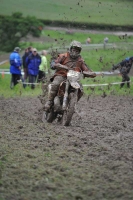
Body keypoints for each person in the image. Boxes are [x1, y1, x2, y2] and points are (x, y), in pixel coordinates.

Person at [44, 40, 96, 111]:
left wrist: (90, 73)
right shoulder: (63, 56)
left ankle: (72, 105)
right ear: (71, 49)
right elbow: (54, 63)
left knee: (80, 90)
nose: (75, 52)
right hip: (61, 75)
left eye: (77, 50)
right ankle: (49, 101)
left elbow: (86, 69)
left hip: (73, 79)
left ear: (79, 51)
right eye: (74, 49)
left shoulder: (80, 60)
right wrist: (57, 65)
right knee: (56, 83)